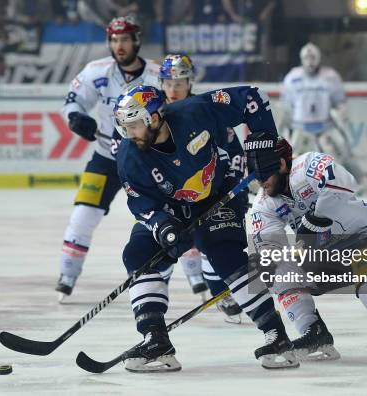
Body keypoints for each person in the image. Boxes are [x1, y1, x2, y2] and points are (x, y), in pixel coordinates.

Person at [112, 85, 299, 372]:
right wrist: (162, 226)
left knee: (225, 255)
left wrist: (265, 140)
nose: (130, 133)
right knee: (137, 254)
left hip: (218, 192)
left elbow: (251, 97)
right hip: (170, 207)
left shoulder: (194, 111)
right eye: (126, 127)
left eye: (135, 125)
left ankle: (277, 335)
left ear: (155, 117)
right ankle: (155, 339)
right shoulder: (129, 155)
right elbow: (141, 203)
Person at [244, 134, 367, 365]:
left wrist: (314, 220)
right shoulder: (264, 204)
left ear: (282, 164)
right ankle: (314, 333)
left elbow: (341, 189)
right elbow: (268, 244)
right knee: (278, 270)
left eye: (263, 171)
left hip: (366, 239)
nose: (260, 180)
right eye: (254, 171)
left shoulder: (309, 164)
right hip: (325, 255)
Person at [55, 16, 160, 301]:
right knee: (82, 215)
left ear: (136, 41)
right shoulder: (95, 70)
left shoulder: (157, 73)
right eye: (114, 40)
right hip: (106, 158)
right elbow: (72, 103)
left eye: (125, 39)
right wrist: (76, 118)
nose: (119, 45)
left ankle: (200, 280)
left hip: (149, 160)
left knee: (171, 216)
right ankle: (67, 275)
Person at [159, 54, 244, 323]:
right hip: (172, 193)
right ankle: (151, 303)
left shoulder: (208, 109)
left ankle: (220, 291)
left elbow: (234, 151)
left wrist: (234, 188)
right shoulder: (154, 112)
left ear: (190, 81)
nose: (173, 89)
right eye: (168, 83)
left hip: (211, 190)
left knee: (216, 240)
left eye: (179, 82)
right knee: (162, 246)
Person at [281, 43, 367, 185]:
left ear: (318, 57)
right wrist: (286, 126)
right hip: (300, 128)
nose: (310, 60)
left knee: (342, 153)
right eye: (307, 57)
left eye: (312, 57)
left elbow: (340, 102)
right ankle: (288, 186)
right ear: (302, 58)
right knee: (291, 159)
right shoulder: (292, 77)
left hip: (325, 126)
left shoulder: (330, 76)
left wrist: (341, 115)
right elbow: (286, 106)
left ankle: (356, 181)